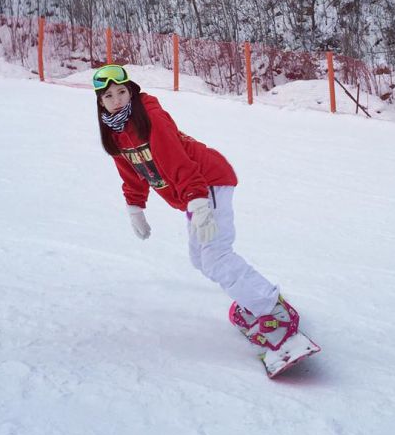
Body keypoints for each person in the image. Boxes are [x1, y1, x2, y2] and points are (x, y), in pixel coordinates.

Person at [92, 63, 300, 350]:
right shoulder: (115, 132)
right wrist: (135, 207)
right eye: (109, 96)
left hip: (207, 181)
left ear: (131, 92)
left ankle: (272, 309)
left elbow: (177, 160)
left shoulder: (151, 117)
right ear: (100, 102)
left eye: (121, 92)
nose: (117, 100)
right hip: (194, 192)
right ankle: (254, 299)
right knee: (201, 259)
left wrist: (198, 201)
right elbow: (131, 172)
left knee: (215, 255)